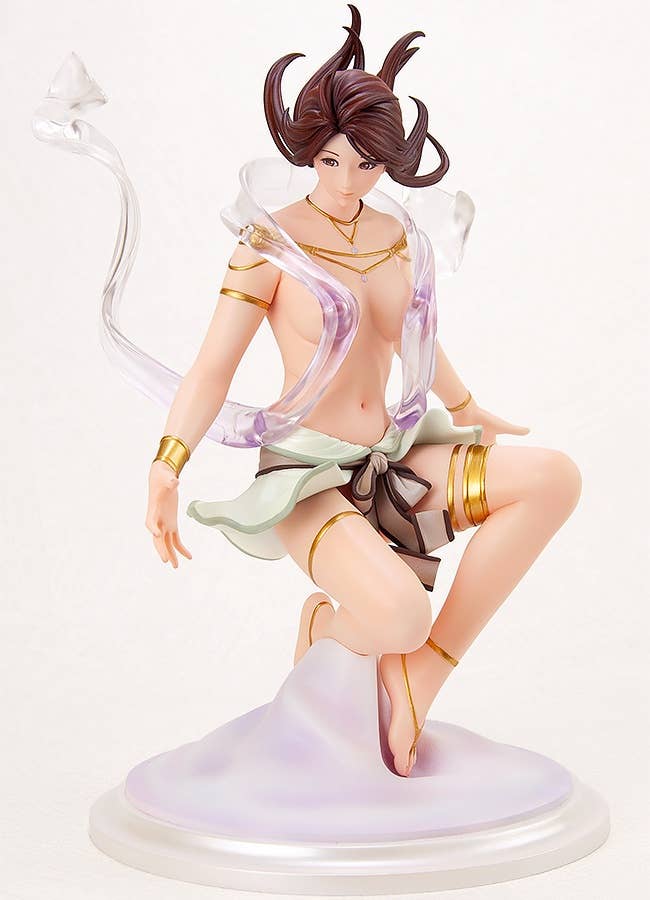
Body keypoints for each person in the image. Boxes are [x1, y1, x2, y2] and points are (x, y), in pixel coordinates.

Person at [145, 5, 582, 777]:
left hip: (393, 456)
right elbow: (213, 366)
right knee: (401, 614)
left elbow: (412, 334)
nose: (348, 182)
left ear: (389, 161)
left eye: (368, 164)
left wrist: (465, 404)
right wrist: (167, 465)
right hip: (307, 478)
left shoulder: (394, 234)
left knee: (553, 480)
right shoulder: (268, 242)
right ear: (307, 151)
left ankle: (420, 679)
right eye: (330, 161)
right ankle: (325, 629)